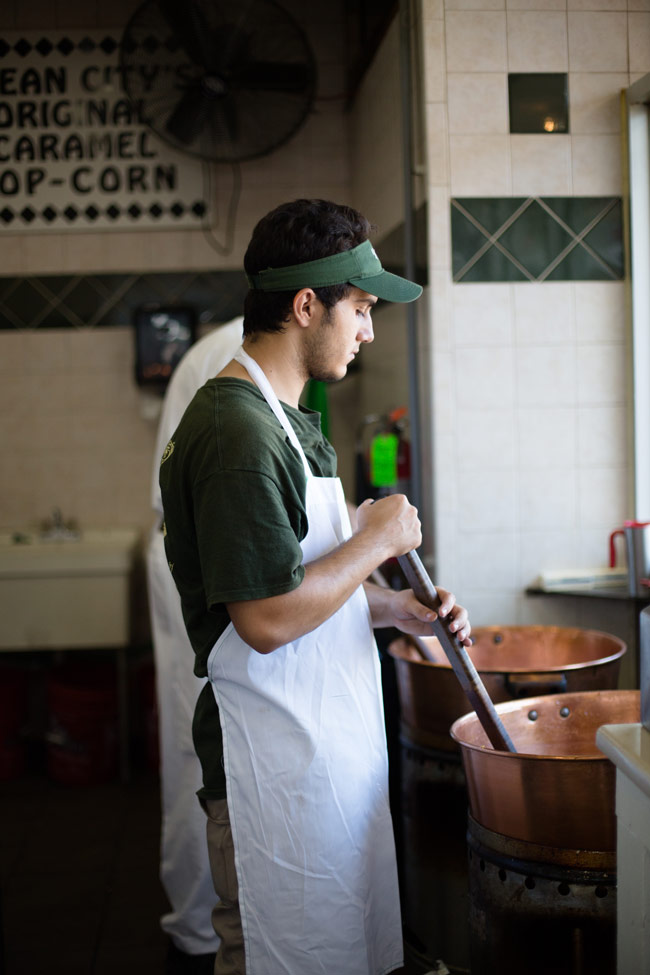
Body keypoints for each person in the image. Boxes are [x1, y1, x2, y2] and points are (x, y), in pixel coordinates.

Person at [159, 199, 471, 975]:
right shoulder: (237, 431)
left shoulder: (289, 419)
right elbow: (265, 618)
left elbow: (297, 584)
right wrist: (375, 541)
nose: (368, 329)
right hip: (270, 774)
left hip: (313, 761)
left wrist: (397, 607)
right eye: (361, 308)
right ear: (307, 305)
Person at [147, 319, 245, 970]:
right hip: (196, 558)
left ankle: (203, 925)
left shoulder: (233, 347)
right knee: (195, 749)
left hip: (191, 548)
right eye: (355, 309)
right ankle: (195, 933)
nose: (365, 331)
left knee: (196, 747)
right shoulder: (236, 357)